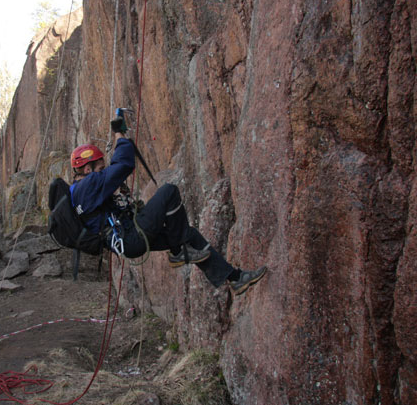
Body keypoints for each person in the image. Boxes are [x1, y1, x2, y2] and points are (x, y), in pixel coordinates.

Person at [68, 117, 268, 295]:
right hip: (130, 237)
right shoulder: (87, 186)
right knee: (169, 191)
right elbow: (123, 165)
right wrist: (119, 135)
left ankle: (235, 278)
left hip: (128, 234)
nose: (102, 171)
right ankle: (178, 252)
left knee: (188, 236)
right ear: (87, 169)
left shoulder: (80, 190)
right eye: (100, 168)